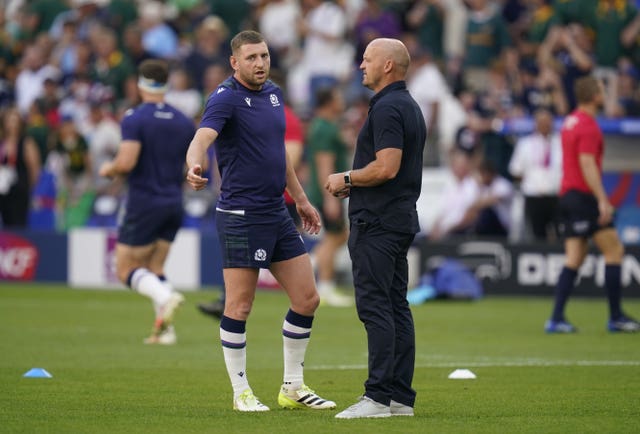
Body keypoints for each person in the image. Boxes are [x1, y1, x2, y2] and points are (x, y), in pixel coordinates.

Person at [185, 30, 336, 412]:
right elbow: (203, 135)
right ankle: (241, 394)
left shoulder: (274, 94)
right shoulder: (225, 98)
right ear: (235, 62)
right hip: (240, 214)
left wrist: (301, 200)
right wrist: (194, 162)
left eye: (264, 55)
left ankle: (293, 388)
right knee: (239, 306)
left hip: (276, 211)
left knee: (307, 298)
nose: (260, 63)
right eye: (251, 57)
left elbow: (278, 154)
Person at [326, 37, 427, 419]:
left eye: (366, 59)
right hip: (398, 219)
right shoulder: (409, 106)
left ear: (387, 65)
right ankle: (400, 397)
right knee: (396, 306)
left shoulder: (388, 108)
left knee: (375, 307)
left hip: (378, 222)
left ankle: (378, 397)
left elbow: (387, 167)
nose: (360, 65)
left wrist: (346, 178)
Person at [99, 59, 193, 344]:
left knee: (125, 269)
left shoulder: (134, 118)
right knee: (156, 267)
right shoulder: (183, 121)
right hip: (174, 201)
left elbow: (126, 162)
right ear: (166, 83)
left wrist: (108, 169)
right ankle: (166, 333)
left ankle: (166, 297)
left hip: (144, 201)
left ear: (140, 84)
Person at [545, 75, 639, 334]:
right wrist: (602, 199)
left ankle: (556, 318)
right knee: (614, 250)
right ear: (593, 95)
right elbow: (587, 164)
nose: (604, 93)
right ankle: (616, 316)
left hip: (568, 195)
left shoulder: (570, 122)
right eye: (601, 89)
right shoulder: (588, 126)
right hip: (583, 196)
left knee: (575, 257)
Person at [306, 86, 353, 307]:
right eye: (338, 96)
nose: (341, 100)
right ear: (328, 101)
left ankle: (317, 266)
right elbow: (325, 163)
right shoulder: (324, 129)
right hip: (327, 192)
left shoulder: (324, 126)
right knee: (335, 237)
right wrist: (330, 198)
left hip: (325, 191)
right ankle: (325, 285)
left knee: (338, 236)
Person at [509, 109, 562, 241]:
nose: (544, 125)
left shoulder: (560, 143)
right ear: (535, 124)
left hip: (556, 195)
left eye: (547, 122)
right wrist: (534, 179)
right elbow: (516, 171)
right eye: (541, 122)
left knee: (561, 232)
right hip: (534, 196)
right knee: (537, 235)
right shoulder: (525, 144)